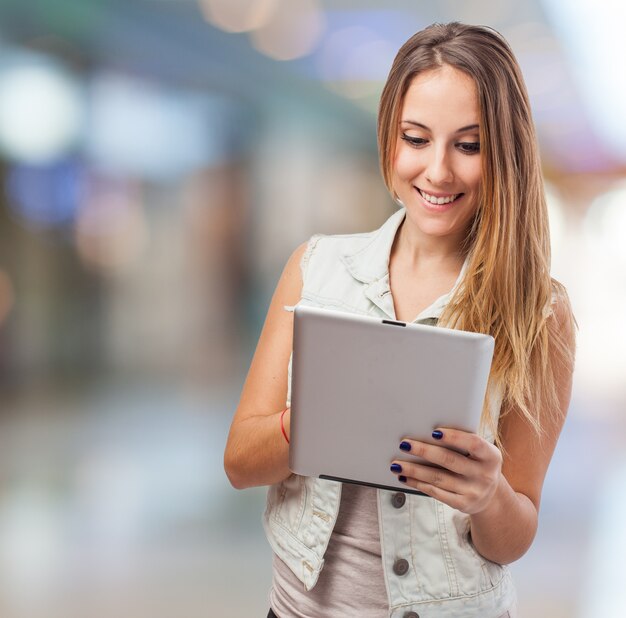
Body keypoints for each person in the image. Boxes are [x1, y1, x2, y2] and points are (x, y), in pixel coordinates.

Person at [224, 21, 576, 618]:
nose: (437, 171)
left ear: (505, 155)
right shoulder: (316, 268)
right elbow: (239, 462)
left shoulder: (539, 313)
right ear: (390, 140)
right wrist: (309, 424)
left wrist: (488, 495)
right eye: (416, 138)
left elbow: (514, 536)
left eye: (468, 145)